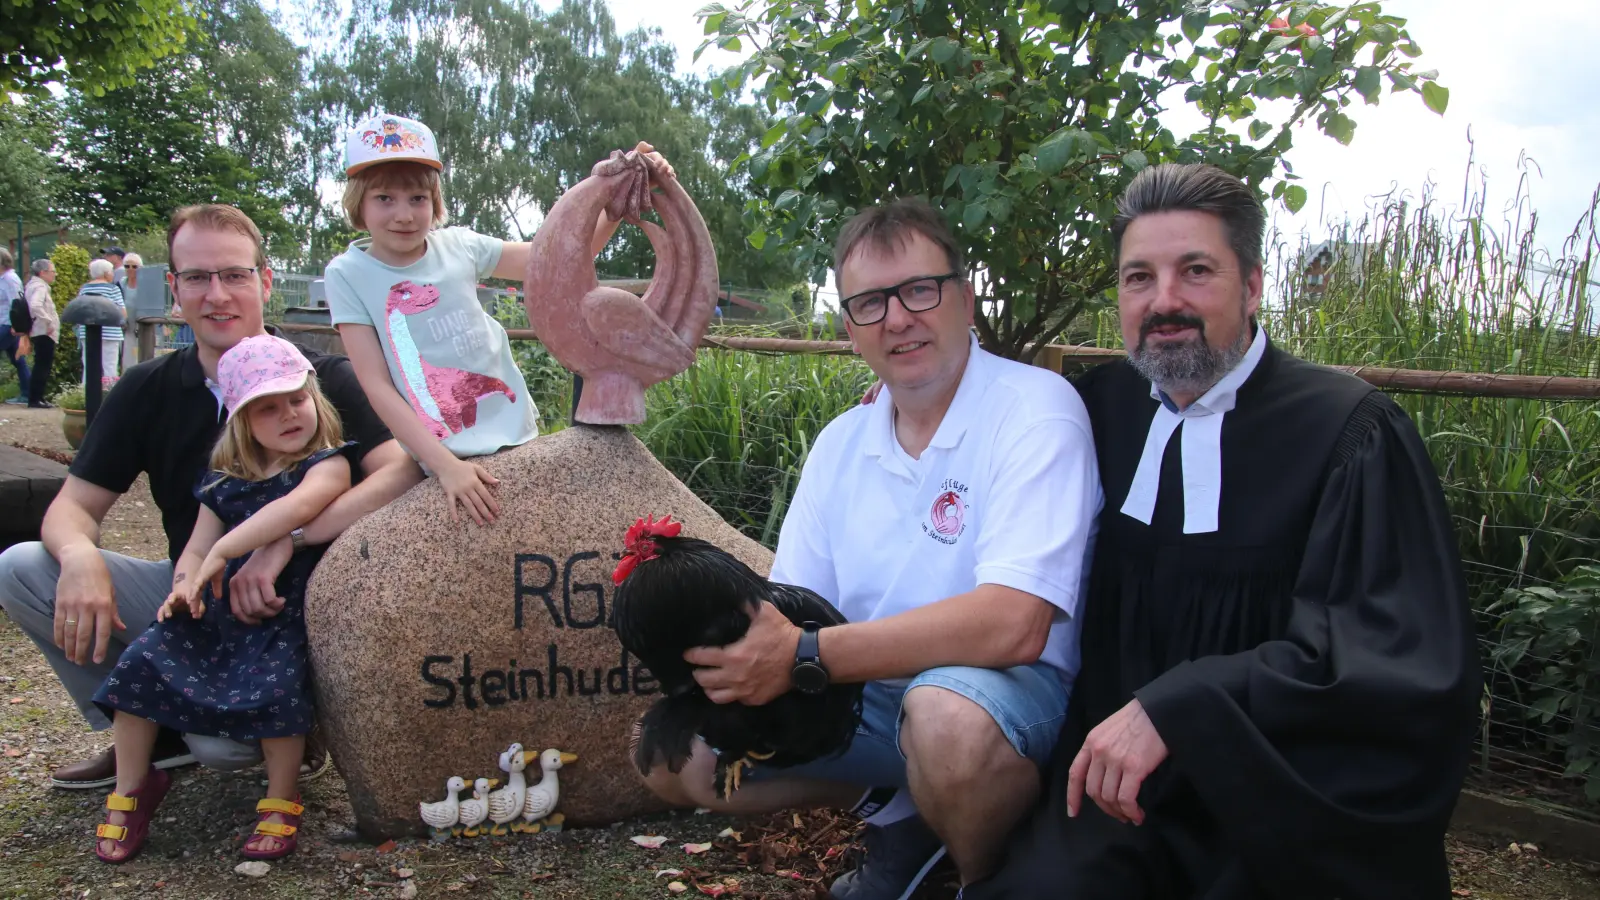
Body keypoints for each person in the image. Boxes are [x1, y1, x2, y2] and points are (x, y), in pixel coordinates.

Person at [965, 163, 1481, 899]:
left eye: (1195, 270)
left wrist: (1183, 709)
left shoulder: (1348, 431)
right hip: (1111, 799)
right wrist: (906, 402)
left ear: (1253, 285)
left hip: (1278, 803)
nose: (1164, 300)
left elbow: (1390, 664)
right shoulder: (1089, 411)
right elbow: (970, 449)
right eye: (1138, 277)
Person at [636, 197, 1102, 899]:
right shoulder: (840, 444)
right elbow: (792, 607)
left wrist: (803, 657)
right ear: (850, 327)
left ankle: (983, 878)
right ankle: (901, 815)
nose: (897, 318)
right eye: (869, 303)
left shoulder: (1034, 410)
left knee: (944, 719)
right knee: (678, 756)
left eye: (919, 290)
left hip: (1003, 695)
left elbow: (1016, 624)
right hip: (868, 693)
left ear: (964, 297)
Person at [0, 204, 420, 792]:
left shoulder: (321, 380)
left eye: (234, 274)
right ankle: (145, 727)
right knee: (22, 568)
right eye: (196, 277)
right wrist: (80, 558)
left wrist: (287, 539)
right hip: (196, 594)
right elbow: (71, 509)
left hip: (292, 611)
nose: (216, 294)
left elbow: (400, 473)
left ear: (264, 281)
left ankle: (285, 727)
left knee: (226, 751)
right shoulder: (148, 387)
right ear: (174, 289)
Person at [324, 113, 674, 526]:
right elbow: (377, 386)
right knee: (346, 519)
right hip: (439, 448)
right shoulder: (347, 274)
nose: (403, 214)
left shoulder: (460, 246)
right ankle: (279, 541)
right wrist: (444, 466)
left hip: (512, 432)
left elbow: (557, 257)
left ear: (433, 202)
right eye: (385, 198)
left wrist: (618, 201)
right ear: (358, 204)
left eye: (417, 199)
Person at [91, 335, 353, 864]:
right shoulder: (224, 480)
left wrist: (230, 549)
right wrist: (185, 585)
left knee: (280, 689)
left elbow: (297, 508)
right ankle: (132, 787)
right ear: (241, 421)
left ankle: (281, 796)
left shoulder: (327, 464)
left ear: (316, 399)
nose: (289, 416)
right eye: (268, 409)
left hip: (280, 613)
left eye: (298, 400)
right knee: (138, 666)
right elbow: (195, 549)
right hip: (215, 613)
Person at [74, 259, 126, 386]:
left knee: (89, 364)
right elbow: (122, 313)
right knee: (110, 365)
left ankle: (85, 394)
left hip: (87, 332)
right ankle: (109, 393)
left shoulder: (84, 289)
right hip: (111, 332)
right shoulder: (113, 289)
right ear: (106, 273)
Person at [24, 256, 60, 408]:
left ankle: (37, 397)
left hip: (40, 330)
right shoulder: (40, 287)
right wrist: (48, 320)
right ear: (43, 272)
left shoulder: (33, 285)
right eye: (53, 271)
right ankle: (35, 399)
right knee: (42, 365)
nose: (55, 274)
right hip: (44, 331)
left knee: (41, 364)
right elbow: (35, 306)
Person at [0, 247, 28, 405]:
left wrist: (16, 326)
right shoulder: (2, 278)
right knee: (18, 359)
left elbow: (16, 303)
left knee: (19, 359)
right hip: (4, 323)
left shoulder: (10, 279)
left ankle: (27, 393)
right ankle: (26, 394)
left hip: (7, 324)